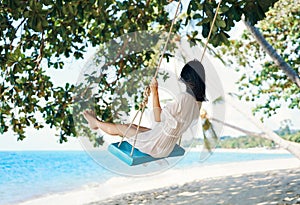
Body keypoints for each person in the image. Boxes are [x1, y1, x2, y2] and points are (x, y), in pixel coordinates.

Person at [83, 59, 206, 158]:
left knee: (122, 128)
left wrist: (155, 91)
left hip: (156, 146)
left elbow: (158, 118)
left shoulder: (183, 98)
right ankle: (99, 124)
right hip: (166, 144)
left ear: (188, 78)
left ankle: (96, 123)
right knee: (132, 127)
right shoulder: (197, 103)